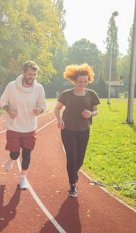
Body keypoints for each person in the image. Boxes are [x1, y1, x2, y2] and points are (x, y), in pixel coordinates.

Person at [54, 63, 100, 198]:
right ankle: (72, 185)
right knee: (71, 157)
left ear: (89, 80)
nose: (83, 84)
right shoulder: (66, 94)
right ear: (74, 81)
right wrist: (59, 120)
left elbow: (96, 111)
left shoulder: (92, 94)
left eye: (85, 81)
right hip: (68, 130)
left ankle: (75, 172)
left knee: (80, 159)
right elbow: (57, 108)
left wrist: (91, 113)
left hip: (84, 131)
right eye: (80, 81)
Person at [0, 60, 46, 190]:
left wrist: (40, 110)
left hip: (30, 127)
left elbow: (43, 105)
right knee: (15, 153)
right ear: (23, 72)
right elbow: (2, 101)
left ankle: (23, 177)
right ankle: (11, 158)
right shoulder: (12, 86)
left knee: (27, 154)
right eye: (30, 74)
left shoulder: (38, 88)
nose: (32, 77)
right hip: (14, 126)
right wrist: (8, 109)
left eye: (34, 75)